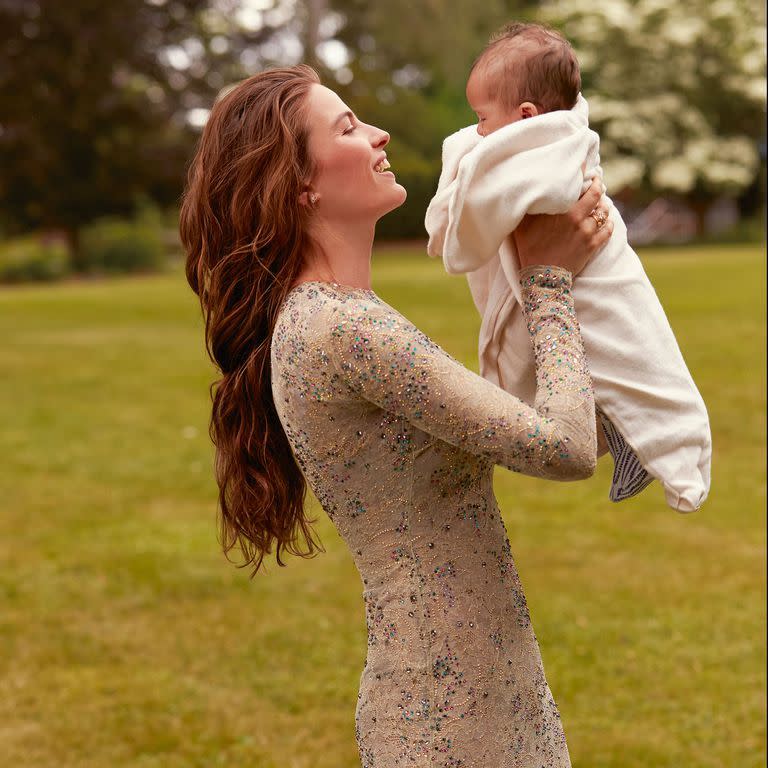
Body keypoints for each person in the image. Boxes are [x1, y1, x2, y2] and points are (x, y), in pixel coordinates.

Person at [179, 65, 612, 767]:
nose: (378, 133)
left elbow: (537, 418)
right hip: (451, 718)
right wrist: (548, 282)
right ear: (299, 186)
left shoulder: (339, 319)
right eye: (347, 127)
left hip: (476, 690)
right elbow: (564, 447)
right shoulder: (342, 330)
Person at [425, 22, 711, 512]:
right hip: (554, 271)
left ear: (527, 116)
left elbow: (507, 209)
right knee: (559, 364)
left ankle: (654, 436)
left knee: (627, 342)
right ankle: (626, 433)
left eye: (482, 118)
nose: (477, 133)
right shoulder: (539, 143)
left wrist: (467, 190)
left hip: (594, 271)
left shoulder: (551, 150)